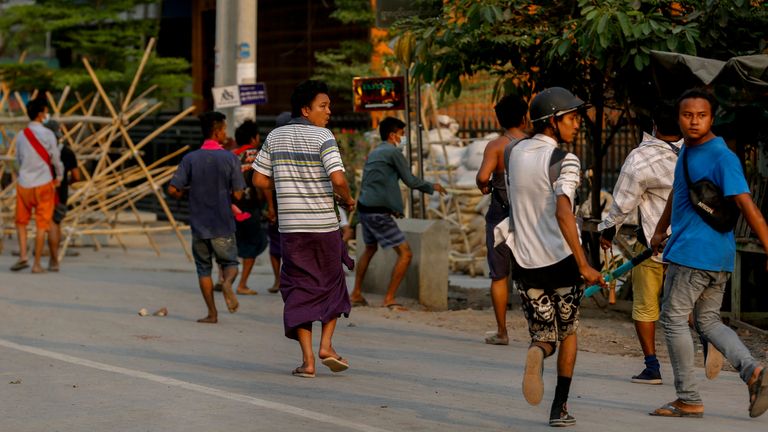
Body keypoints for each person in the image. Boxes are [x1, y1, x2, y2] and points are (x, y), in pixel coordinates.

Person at [649, 88, 768, 419]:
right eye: (688, 115)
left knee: (672, 319)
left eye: (701, 115)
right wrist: (660, 230)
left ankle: (688, 397)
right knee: (708, 321)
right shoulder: (687, 152)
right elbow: (679, 192)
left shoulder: (721, 156)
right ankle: (753, 371)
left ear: (712, 118)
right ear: (679, 118)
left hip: (696, 255)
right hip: (710, 255)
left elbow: (748, 206)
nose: (694, 121)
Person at [504, 87, 605, 427]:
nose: (577, 124)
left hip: (524, 260)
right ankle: (559, 409)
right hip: (561, 260)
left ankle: (537, 352)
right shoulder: (565, 160)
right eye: (572, 118)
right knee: (569, 332)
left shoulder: (513, 152)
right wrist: (583, 264)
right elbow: (564, 212)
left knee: (543, 334)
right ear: (552, 121)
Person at [252, 80, 355, 378]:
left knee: (299, 288)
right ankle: (327, 346)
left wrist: (285, 186)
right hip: (323, 226)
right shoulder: (323, 136)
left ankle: (308, 361)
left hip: (292, 229)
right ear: (305, 110)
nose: (329, 112)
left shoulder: (274, 136)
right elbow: (337, 178)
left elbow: (259, 181)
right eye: (323, 106)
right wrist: (347, 198)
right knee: (333, 283)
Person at [597, 102, 684, 384]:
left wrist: (607, 232)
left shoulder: (641, 158)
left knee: (646, 307)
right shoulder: (694, 155)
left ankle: (652, 367)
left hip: (651, 246)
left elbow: (622, 202)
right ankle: (709, 346)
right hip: (686, 243)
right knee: (684, 305)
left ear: (654, 126)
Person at [349, 117, 445, 311]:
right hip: (378, 213)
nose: (404, 138)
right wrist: (432, 186)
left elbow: (381, 185)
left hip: (366, 209)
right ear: (393, 135)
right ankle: (390, 298)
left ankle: (356, 293)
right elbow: (410, 181)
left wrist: (394, 208)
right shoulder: (393, 152)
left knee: (370, 249)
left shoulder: (376, 152)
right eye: (402, 134)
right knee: (405, 253)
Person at [168, 111, 244, 324]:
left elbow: (173, 189)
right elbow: (238, 193)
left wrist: (185, 192)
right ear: (218, 132)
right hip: (223, 223)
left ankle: (212, 313)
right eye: (224, 130)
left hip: (199, 225)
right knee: (229, 263)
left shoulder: (190, 158)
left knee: (203, 269)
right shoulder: (230, 158)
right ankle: (228, 283)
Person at [475, 94, 528, 345]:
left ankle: (502, 332)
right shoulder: (534, 144)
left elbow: (483, 176)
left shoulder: (496, 146)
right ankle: (538, 329)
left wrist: (484, 187)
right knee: (530, 272)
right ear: (525, 117)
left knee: (499, 274)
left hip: (500, 214)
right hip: (529, 216)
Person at [12, 98, 64, 273]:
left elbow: (18, 159)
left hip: (24, 183)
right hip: (43, 184)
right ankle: (36, 264)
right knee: (42, 225)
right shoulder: (48, 134)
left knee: (21, 222)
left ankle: (23, 256)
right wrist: (59, 176)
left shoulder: (21, 135)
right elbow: (56, 159)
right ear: (41, 114)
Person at [231, 119, 268, 295]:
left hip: (232, 207)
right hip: (251, 206)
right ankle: (242, 284)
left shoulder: (231, 156)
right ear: (253, 138)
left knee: (233, 242)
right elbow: (263, 183)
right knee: (253, 243)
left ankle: (223, 278)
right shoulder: (258, 154)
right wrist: (271, 208)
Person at [45, 119, 81, 272]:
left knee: (48, 225)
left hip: (45, 190)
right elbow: (76, 176)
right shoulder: (67, 152)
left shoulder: (43, 152)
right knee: (56, 224)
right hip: (62, 193)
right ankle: (54, 258)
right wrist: (68, 181)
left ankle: (53, 259)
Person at [266, 111, 292, 294]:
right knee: (277, 244)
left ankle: (285, 280)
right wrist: (270, 207)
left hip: (291, 205)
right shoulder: (272, 148)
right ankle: (278, 280)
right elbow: (264, 181)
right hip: (279, 203)